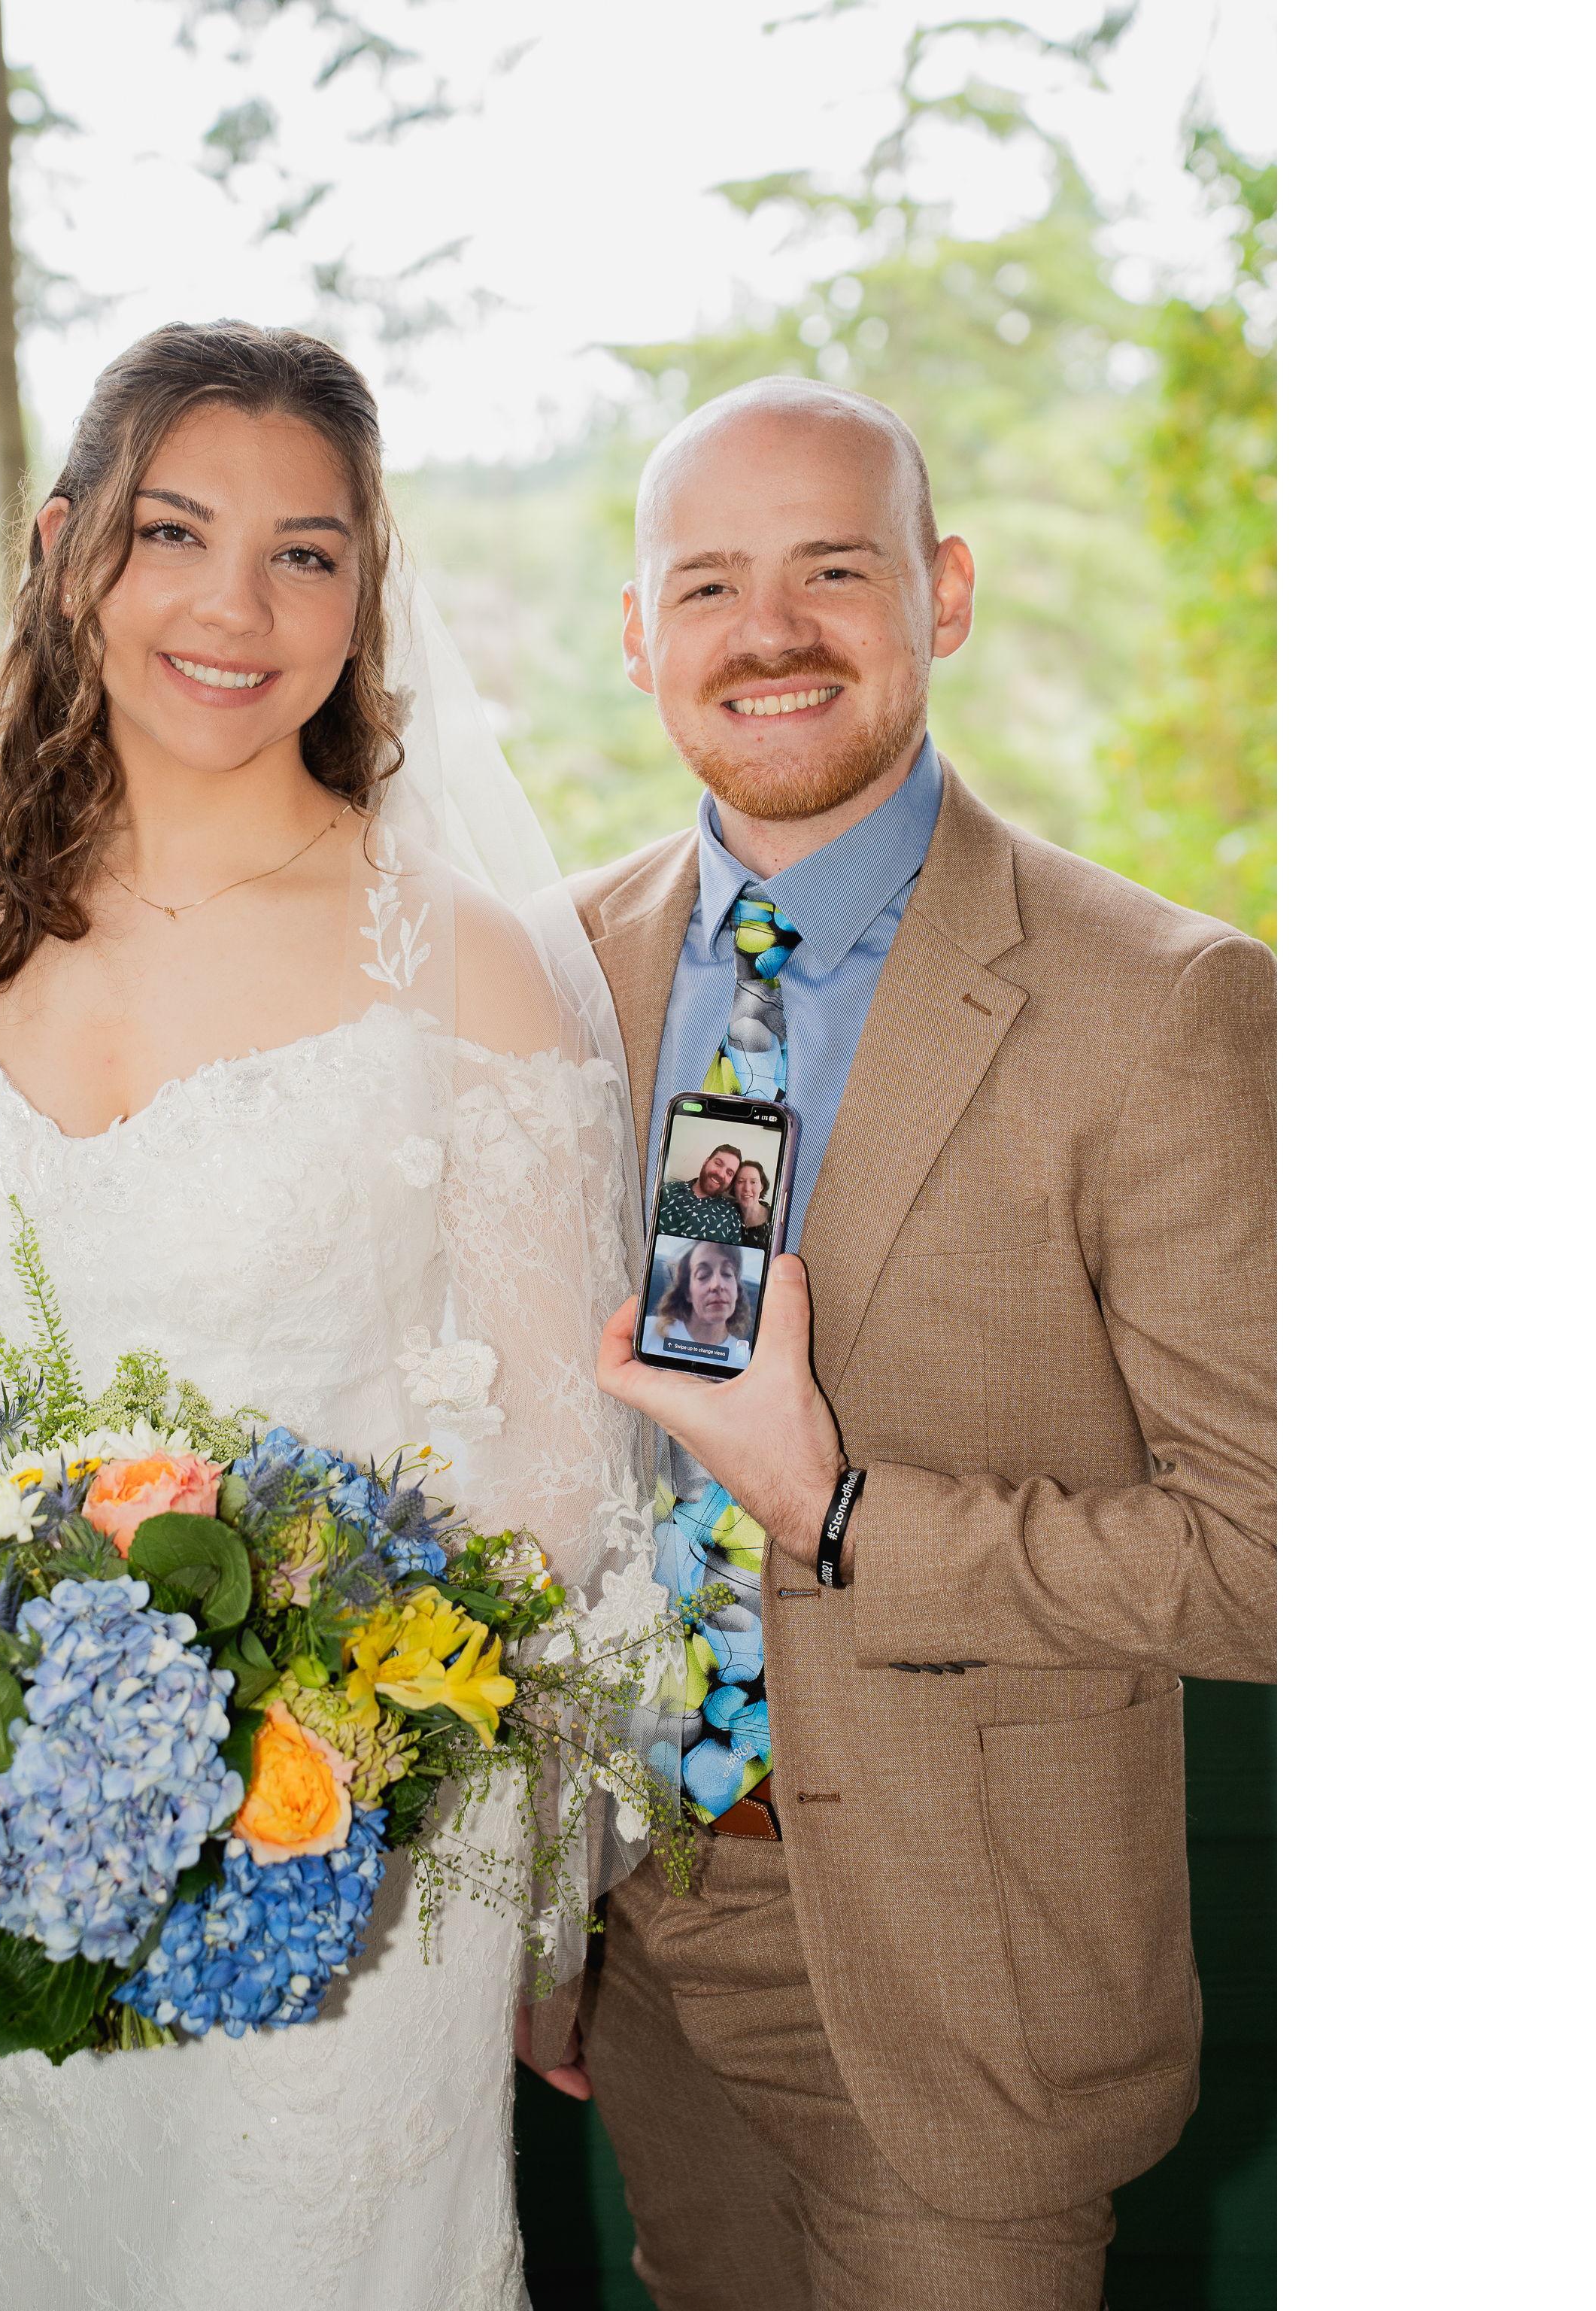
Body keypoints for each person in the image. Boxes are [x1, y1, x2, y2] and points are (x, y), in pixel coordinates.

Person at [0, 321, 657, 2310]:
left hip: (334, 1867)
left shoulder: (462, 967)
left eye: (304, 554)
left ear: (365, 594)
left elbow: (554, 1469)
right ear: (66, 549)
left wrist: (307, 1732)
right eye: (175, 533)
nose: (235, 608)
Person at [531, 375, 1276, 2311]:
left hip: (966, 1974)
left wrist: (841, 1509)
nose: (766, 632)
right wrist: (536, 1905)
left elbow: (1282, 1558)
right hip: (637, 1934)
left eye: (832, 570)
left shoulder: (1167, 1005)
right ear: (637, 634)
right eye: (708, 583)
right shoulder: (550, 975)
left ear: (941, 592)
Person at [641, 1238, 755, 1369]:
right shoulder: (648, 1331)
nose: (717, 1285)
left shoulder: (746, 1362)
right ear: (687, 1292)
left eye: (727, 1274)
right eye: (703, 1275)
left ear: (737, 1291)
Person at [656, 1139, 743, 1242]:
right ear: (706, 1161)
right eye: (718, 1164)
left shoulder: (732, 1217)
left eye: (729, 1173)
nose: (720, 1174)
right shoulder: (667, 1190)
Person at [729, 1158, 773, 1249]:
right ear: (734, 1186)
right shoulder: (727, 1213)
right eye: (741, 1181)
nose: (747, 1188)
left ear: (762, 1187)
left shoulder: (775, 1217)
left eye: (753, 1182)